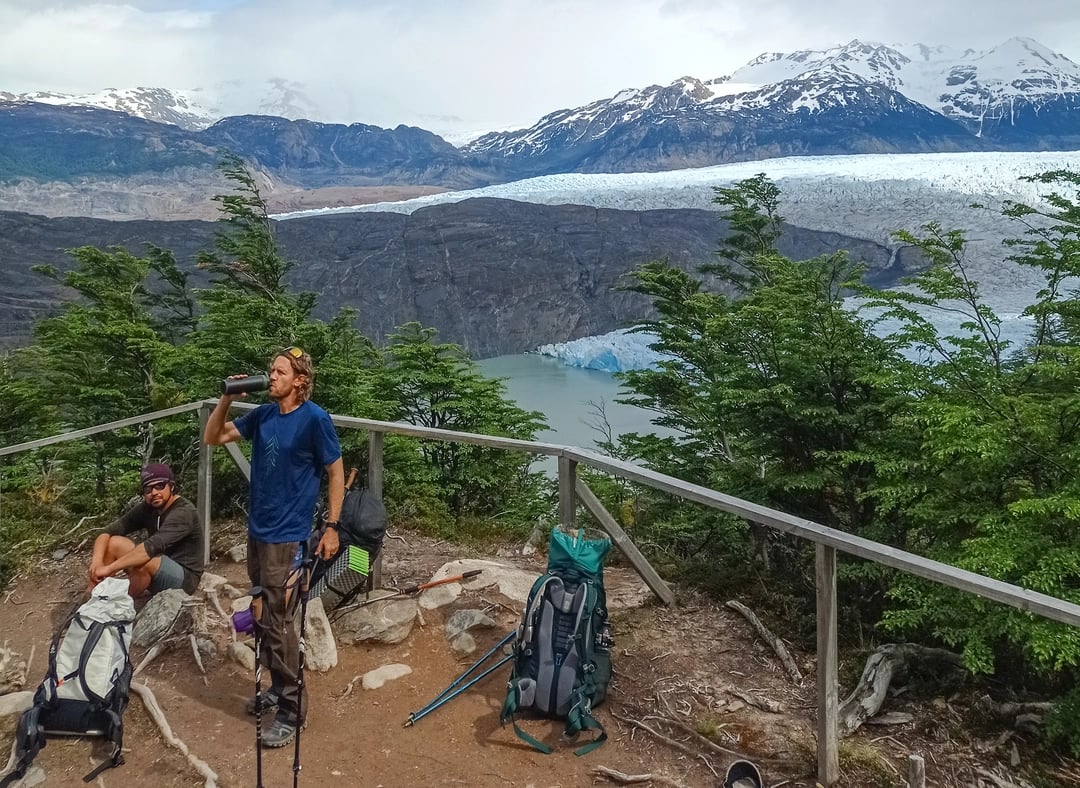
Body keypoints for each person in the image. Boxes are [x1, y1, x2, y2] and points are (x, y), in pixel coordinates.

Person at [203, 346, 344, 749]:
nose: (272, 376)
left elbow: (335, 471)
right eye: (271, 370)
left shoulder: (314, 419)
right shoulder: (263, 416)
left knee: (280, 620)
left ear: (300, 381)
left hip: (289, 536)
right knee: (262, 611)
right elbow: (214, 436)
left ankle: (291, 709)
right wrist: (227, 398)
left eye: (280, 371)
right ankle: (278, 687)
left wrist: (332, 527)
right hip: (258, 531)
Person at [88, 462, 205, 597]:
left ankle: (122, 603)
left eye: (160, 486)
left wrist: (109, 568)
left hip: (185, 579)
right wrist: (97, 562)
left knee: (144, 561)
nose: (154, 493)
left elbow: (150, 548)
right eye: (148, 489)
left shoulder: (183, 513)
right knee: (114, 542)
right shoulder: (148, 508)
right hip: (159, 566)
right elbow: (106, 532)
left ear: (171, 486)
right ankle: (92, 596)